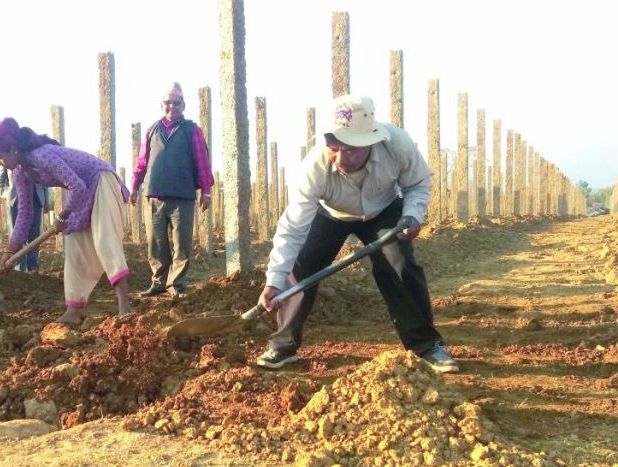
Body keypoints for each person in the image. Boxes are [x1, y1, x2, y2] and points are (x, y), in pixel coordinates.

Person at [255, 95, 458, 373]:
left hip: (383, 210)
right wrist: (274, 280)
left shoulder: (396, 144)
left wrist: (412, 214)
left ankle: (426, 346)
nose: (341, 158)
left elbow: (418, 182)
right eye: (334, 147)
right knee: (301, 267)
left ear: (370, 142)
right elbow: (292, 228)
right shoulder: (314, 168)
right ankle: (282, 345)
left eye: (350, 150)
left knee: (399, 265)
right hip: (330, 214)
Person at [0, 117, 131, 325]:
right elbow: (24, 214)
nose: (1, 163)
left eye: (0, 157)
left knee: (104, 238)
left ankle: (124, 307)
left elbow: (76, 186)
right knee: (74, 245)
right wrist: (11, 251)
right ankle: (74, 309)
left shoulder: (42, 155)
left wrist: (63, 216)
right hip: (82, 189)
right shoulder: (21, 172)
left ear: (12, 149)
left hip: (100, 180)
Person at [130, 82, 213, 299]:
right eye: (168, 103)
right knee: (156, 243)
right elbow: (142, 162)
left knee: (181, 243)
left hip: (182, 196)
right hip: (155, 195)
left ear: (183, 106)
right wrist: (134, 186)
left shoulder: (192, 130)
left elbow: (202, 161)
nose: (171, 107)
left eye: (176, 103)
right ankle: (158, 282)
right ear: (161, 105)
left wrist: (206, 191)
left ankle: (175, 284)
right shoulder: (152, 130)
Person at [0, 165, 49, 272]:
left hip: (36, 199)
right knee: (17, 235)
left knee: (34, 236)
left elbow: (44, 180)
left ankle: (33, 267)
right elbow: (0, 178)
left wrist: (46, 200)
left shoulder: (34, 153)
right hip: (15, 201)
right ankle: (19, 268)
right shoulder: (8, 152)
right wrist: (6, 193)